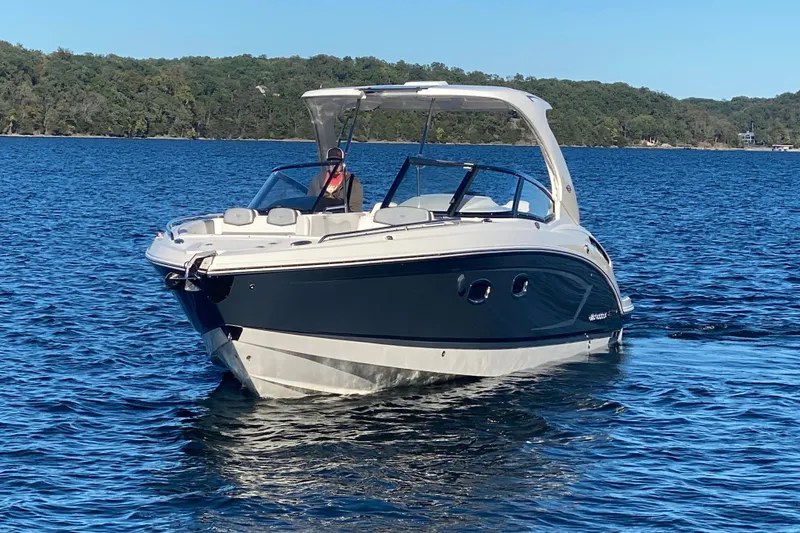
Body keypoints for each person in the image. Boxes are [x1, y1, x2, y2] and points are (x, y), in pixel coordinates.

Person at [307, 147, 363, 212]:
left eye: (337, 162)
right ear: (327, 163)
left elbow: (355, 209)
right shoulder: (317, 180)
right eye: (331, 162)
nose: (334, 165)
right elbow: (309, 203)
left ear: (342, 163)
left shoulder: (352, 182)